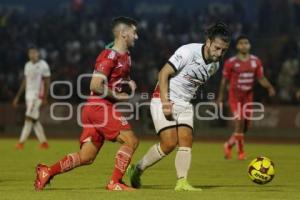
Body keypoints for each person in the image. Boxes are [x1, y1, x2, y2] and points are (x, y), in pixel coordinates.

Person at [34, 16, 139, 191]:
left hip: (95, 108)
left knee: (86, 156)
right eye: (134, 32)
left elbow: (119, 78)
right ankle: (115, 182)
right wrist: (118, 96)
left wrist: (128, 83)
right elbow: (95, 85)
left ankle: (47, 171)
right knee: (131, 141)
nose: (136, 36)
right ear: (123, 33)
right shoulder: (108, 56)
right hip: (99, 106)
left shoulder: (126, 56)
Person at [127, 23, 231, 191]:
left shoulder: (215, 65)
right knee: (169, 144)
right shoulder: (188, 52)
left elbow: (192, 84)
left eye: (224, 51)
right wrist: (165, 101)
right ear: (208, 41)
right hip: (164, 98)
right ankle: (137, 168)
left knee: (186, 140)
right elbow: (163, 73)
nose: (219, 53)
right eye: (217, 48)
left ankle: (182, 182)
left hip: (185, 103)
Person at [217, 35, 276, 160]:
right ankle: (241, 152)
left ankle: (228, 145)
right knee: (240, 121)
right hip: (235, 96)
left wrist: (269, 87)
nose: (244, 45)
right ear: (237, 46)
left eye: (246, 43)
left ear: (249, 45)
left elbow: (261, 78)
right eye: (241, 43)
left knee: (245, 127)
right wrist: (220, 97)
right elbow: (224, 81)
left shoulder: (256, 61)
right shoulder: (231, 62)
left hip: (248, 97)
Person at [13, 46, 51, 149]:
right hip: (28, 95)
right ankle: (44, 143)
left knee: (28, 117)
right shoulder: (27, 65)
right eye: (30, 53)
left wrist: (45, 97)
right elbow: (25, 81)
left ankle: (21, 142)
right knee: (33, 119)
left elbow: (47, 81)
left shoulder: (43, 65)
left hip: (37, 95)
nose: (32, 55)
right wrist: (18, 96)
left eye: (34, 53)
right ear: (28, 54)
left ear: (38, 54)